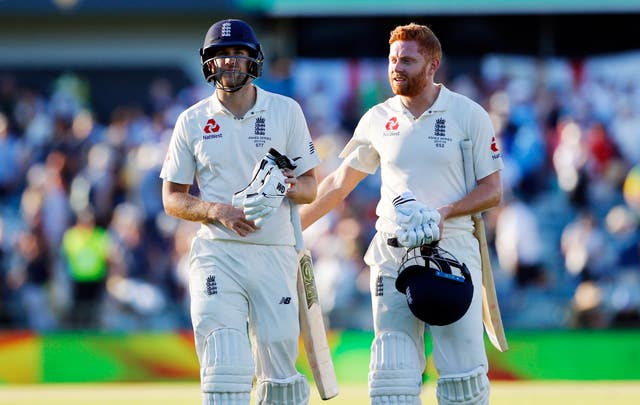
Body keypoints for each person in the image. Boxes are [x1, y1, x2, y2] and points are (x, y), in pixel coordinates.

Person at [300, 23, 503, 404]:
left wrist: (445, 212)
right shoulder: (378, 117)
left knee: (463, 374)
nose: (397, 67)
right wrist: (290, 231)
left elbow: (492, 191)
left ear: (432, 64)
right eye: (393, 59)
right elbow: (339, 183)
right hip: (393, 251)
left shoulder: (467, 114)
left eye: (408, 60)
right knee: (391, 375)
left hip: (452, 247)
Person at [160, 19, 319, 405]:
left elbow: (311, 186)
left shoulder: (285, 111)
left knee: (280, 378)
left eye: (237, 55)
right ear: (208, 64)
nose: (229, 62)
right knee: (225, 370)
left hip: (275, 252)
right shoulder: (193, 120)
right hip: (219, 253)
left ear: (253, 61)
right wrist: (217, 210)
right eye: (220, 56)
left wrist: (285, 186)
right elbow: (172, 198)